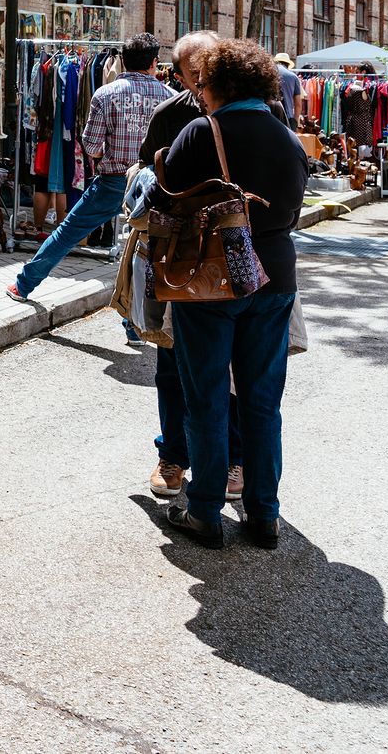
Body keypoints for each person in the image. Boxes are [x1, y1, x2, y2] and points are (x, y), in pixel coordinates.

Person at [159, 39, 306, 550]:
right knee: (263, 402)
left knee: (206, 397)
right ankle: (264, 514)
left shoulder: (203, 132)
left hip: (210, 280)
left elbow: (165, 199)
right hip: (275, 278)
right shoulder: (288, 138)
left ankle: (204, 511)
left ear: (216, 83)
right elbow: (292, 211)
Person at [134, 32, 244, 501]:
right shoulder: (170, 116)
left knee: (236, 368)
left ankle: (236, 462)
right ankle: (174, 456)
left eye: (210, 72)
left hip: (237, 259)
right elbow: (144, 179)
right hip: (180, 258)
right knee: (170, 361)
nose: (202, 84)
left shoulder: (255, 111)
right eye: (193, 75)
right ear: (176, 75)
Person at [8, 32, 172, 302]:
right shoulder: (170, 97)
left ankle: (23, 286)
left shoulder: (105, 94)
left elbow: (92, 146)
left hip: (113, 180)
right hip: (153, 183)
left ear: (123, 60)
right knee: (145, 245)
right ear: (154, 62)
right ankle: (134, 324)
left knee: (67, 232)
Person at [273, 52, 303, 128]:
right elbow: (298, 104)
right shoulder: (293, 77)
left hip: (270, 114)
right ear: (288, 64)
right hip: (287, 117)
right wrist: (295, 121)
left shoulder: (268, 73)